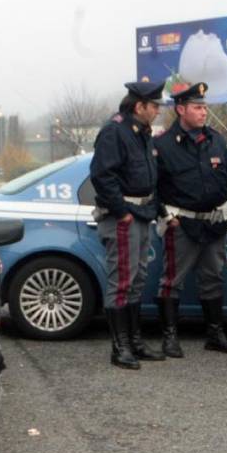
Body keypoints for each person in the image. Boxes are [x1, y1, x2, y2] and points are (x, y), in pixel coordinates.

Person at [153, 80, 227, 358]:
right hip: (181, 224)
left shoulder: (216, 140)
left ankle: (215, 335)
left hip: (214, 225)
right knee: (171, 280)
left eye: (205, 107)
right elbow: (153, 186)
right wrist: (166, 216)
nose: (203, 112)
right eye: (197, 107)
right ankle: (170, 338)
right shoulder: (164, 144)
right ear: (181, 109)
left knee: (213, 278)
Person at [90, 80, 164, 370]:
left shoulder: (142, 132)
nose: (158, 110)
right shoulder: (114, 131)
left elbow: (150, 173)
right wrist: (122, 212)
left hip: (143, 213)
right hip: (124, 216)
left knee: (137, 279)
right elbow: (102, 175)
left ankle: (134, 341)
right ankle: (119, 347)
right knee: (121, 281)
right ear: (139, 106)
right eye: (154, 105)